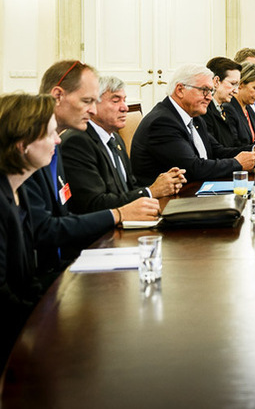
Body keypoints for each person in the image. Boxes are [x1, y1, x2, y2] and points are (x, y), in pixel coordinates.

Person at [22, 61, 159, 280]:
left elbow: (65, 215)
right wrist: (118, 214)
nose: (93, 110)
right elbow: (45, 230)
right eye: (87, 101)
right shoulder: (31, 151)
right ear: (57, 96)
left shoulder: (54, 145)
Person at [61, 75, 185, 213]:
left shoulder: (115, 138)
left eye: (124, 100)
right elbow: (94, 203)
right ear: (92, 104)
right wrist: (151, 191)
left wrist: (165, 184)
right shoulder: (78, 142)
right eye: (115, 101)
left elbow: (130, 187)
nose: (125, 107)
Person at [130, 64, 255, 184]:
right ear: (180, 90)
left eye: (211, 91)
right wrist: (237, 163)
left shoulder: (194, 116)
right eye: (204, 90)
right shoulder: (162, 122)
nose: (209, 97)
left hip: (194, 191)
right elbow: (193, 168)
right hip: (166, 201)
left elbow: (217, 151)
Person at [0, 93, 51, 364]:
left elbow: (26, 277)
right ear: (22, 145)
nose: (57, 140)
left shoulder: (20, 189)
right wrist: (42, 322)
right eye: (51, 134)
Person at [203, 58, 255, 158]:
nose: (236, 91)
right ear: (216, 82)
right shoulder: (205, 111)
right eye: (233, 84)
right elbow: (218, 152)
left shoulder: (224, 109)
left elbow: (231, 147)